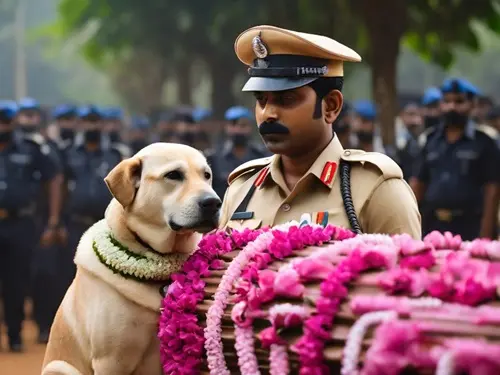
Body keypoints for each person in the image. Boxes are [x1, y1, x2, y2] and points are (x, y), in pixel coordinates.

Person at [218, 25, 421, 238]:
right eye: (261, 100)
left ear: (331, 106)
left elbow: (408, 270)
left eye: (286, 99)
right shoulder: (242, 189)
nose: (268, 113)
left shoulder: (376, 190)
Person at [0, 101, 63, 351]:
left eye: (5, 122)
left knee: (16, 280)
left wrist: (53, 220)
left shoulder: (31, 148)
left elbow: (54, 178)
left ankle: (15, 335)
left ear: (13, 123)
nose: (2, 126)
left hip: (20, 223)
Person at [410, 78, 500, 240]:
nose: (452, 107)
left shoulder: (484, 142)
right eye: (447, 101)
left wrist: (486, 235)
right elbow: (418, 184)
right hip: (433, 227)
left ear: (472, 105)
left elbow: (492, 191)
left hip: (470, 228)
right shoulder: (430, 141)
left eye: (459, 101)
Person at [61, 105, 123, 292]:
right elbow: (61, 189)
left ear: (102, 124)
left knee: (107, 277)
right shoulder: (68, 153)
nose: (91, 127)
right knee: (74, 275)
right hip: (76, 224)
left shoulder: (114, 154)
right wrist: (60, 223)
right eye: (88, 122)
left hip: (106, 226)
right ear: (80, 124)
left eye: (95, 122)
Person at [208, 105, 269, 199]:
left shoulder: (262, 156)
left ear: (250, 127)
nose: (238, 129)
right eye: (233, 125)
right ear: (226, 127)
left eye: (243, 125)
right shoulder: (213, 158)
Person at [395, 102, 423, 182]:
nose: (413, 119)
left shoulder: (422, 137)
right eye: (410, 114)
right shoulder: (399, 138)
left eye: (416, 114)